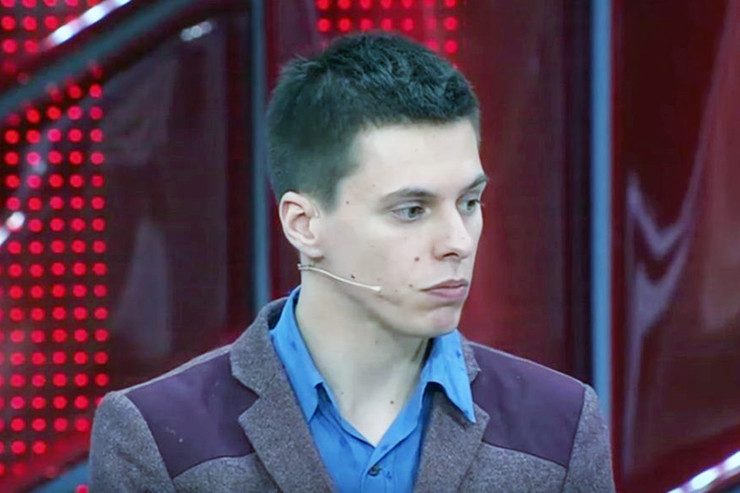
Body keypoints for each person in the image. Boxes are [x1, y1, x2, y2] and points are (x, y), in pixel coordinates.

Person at [90, 32, 615, 492]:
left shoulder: (559, 427)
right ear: (303, 224)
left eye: (469, 202)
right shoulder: (158, 437)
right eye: (412, 210)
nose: (458, 241)